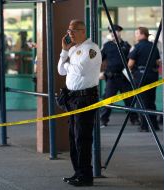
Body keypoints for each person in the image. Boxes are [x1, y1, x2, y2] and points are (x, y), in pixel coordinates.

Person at [58, 19, 102, 186]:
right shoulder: (74, 49)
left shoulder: (91, 49)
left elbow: (80, 70)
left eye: (73, 30)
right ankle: (78, 172)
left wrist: (69, 64)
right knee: (73, 137)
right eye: (68, 30)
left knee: (82, 138)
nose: (70, 33)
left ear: (83, 31)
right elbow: (61, 70)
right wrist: (64, 51)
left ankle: (85, 175)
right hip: (73, 98)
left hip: (85, 97)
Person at [100, 24, 140, 127]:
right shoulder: (107, 45)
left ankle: (134, 119)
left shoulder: (126, 45)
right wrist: (99, 72)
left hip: (124, 78)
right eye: (111, 32)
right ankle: (104, 119)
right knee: (108, 99)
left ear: (119, 32)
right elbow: (99, 59)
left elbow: (133, 59)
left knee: (129, 100)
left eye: (115, 31)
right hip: (112, 78)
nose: (113, 33)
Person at [128, 27, 161, 132]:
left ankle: (144, 126)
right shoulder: (153, 46)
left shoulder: (136, 47)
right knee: (151, 101)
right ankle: (154, 125)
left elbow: (130, 64)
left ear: (143, 34)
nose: (135, 35)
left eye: (137, 33)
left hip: (140, 76)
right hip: (152, 75)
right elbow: (157, 62)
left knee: (141, 101)